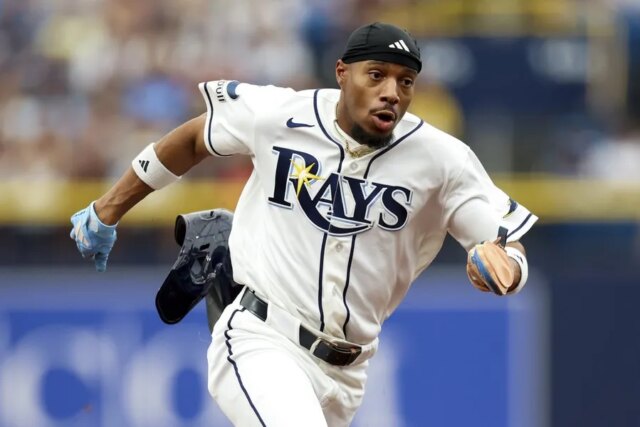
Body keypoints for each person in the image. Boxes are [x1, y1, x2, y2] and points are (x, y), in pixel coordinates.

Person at [70, 22, 537, 427]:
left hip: (349, 371)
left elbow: (506, 244)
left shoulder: (441, 160)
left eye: (405, 81)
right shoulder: (281, 113)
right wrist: (108, 208)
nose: (392, 92)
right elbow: (196, 137)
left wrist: (509, 269)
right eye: (376, 74)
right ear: (342, 73)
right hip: (262, 337)